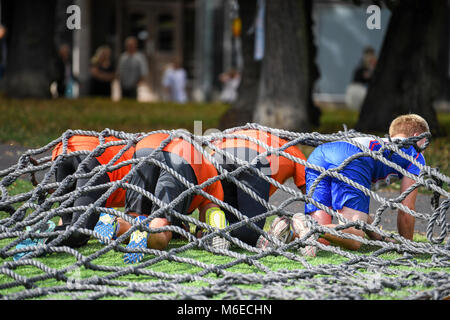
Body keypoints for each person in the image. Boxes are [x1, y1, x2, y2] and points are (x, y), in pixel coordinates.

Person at [292, 114, 430, 256]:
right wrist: (408, 245)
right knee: (354, 238)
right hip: (352, 157)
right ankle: (311, 227)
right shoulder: (415, 154)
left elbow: (363, 219)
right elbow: (406, 207)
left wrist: (380, 236)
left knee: (323, 240)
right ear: (419, 137)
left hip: (321, 153)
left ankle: (287, 228)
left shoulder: (382, 143)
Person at [94, 133, 226, 264]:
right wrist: (201, 234)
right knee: (160, 234)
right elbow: (212, 218)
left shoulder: (201, 157)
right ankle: (146, 232)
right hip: (181, 158)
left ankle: (114, 223)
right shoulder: (212, 179)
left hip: (145, 149)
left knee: (134, 217)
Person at [13, 134, 136, 260]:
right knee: (79, 232)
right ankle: (36, 238)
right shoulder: (147, 174)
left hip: (67, 148)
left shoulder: (135, 147)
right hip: (95, 158)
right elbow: (142, 222)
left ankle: (37, 236)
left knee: (70, 227)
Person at [207, 129, 307, 248]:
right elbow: (310, 191)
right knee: (251, 231)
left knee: (225, 216)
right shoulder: (292, 150)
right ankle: (279, 235)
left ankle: (211, 231)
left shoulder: (241, 132)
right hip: (253, 159)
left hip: (216, 155)